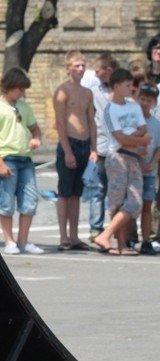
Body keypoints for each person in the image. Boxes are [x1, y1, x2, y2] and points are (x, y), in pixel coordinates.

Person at [0, 67, 44, 255]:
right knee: (7, 200)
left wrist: (36, 138)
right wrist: (0, 163)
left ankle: (23, 241)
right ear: (9, 87)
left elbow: (35, 128)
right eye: (20, 89)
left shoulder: (23, 106)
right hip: (7, 158)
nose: (22, 93)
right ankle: (9, 241)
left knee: (29, 200)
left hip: (26, 159)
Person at [92, 68, 149, 255]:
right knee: (117, 202)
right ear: (116, 86)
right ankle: (120, 244)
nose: (131, 88)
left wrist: (134, 138)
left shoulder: (133, 105)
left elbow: (143, 128)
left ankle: (105, 235)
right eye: (127, 85)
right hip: (117, 157)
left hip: (134, 158)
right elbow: (120, 138)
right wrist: (138, 140)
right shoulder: (109, 110)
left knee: (134, 202)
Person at [53, 51, 98, 251]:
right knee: (64, 192)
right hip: (68, 143)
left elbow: (91, 122)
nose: (81, 69)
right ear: (68, 68)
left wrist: (94, 149)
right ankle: (64, 236)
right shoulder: (62, 91)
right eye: (77, 65)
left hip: (84, 144)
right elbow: (60, 123)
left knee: (76, 194)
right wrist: (67, 151)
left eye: (83, 65)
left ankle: (74, 236)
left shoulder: (88, 93)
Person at [87, 53, 117, 241]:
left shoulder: (121, 90)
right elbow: (91, 119)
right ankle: (96, 228)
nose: (95, 74)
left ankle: (116, 230)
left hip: (119, 148)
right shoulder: (94, 92)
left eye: (98, 70)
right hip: (101, 146)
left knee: (117, 191)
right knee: (98, 190)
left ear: (109, 70)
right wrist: (93, 148)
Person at [136, 81, 160, 254]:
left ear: (154, 104)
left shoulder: (156, 124)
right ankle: (128, 238)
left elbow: (158, 147)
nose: (145, 103)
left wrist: (152, 163)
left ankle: (145, 240)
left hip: (149, 170)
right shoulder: (131, 120)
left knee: (147, 205)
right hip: (133, 169)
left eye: (149, 101)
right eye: (142, 99)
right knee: (129, 205)